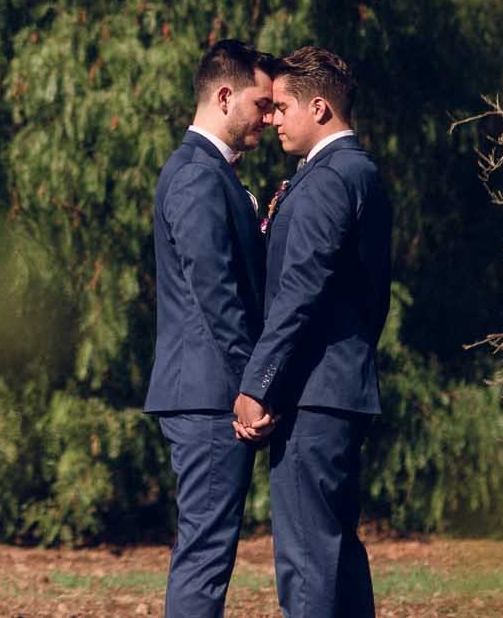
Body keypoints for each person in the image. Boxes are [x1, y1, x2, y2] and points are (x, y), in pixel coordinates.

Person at [232, 45, 391, 618]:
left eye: (281, 108)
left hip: (313, 395)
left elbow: (301, 291)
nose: (271, 119)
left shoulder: (330, 178)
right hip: (340, 390)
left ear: (318, 108)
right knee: (336, 553)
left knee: (307, 563)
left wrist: (259, 383)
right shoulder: (360, 173)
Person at [145, 39, 278, 617]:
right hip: (207, 395)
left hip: (205, 389)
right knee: (205, 553)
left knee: (209, 548)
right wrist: (255, 386)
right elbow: (217, 294)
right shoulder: (198, 176)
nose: (269, 117)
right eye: (261, 103)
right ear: (224, 96)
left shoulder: (206, 174)